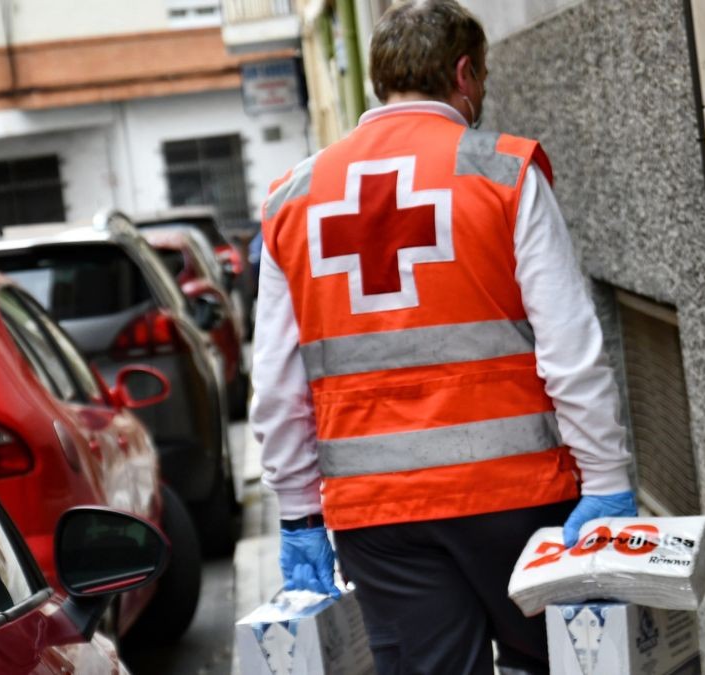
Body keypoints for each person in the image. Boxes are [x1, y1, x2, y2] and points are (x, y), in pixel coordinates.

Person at [250, 1, 635, 672]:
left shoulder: (293, 200)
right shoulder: (504, 175)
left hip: (378, 517)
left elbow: (277, 384)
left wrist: (297, 511)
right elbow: (569, 346)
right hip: (518, 501)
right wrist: (605, 475)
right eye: (480, 76)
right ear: (464, 73)